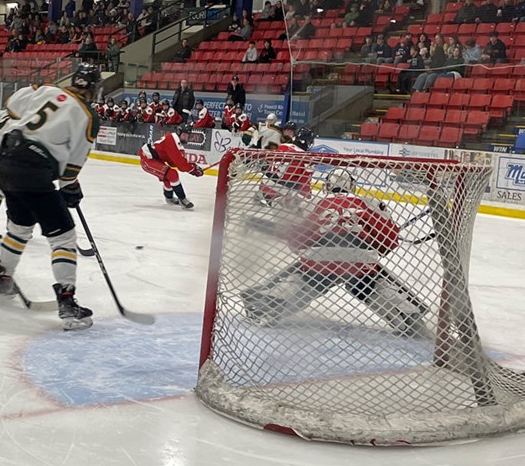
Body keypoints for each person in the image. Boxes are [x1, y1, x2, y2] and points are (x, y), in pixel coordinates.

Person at [240, 168, 428, 337]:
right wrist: (373, 250)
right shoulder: (368, 203)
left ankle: (271, 302)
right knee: (372, 284)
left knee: (304, 281)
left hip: (321, 259)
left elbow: (298, 239)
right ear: (353, 186)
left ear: (327, 186)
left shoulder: (314, 203)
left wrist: (308, 252)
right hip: (360, 260)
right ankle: (405, 314)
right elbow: (389, 240)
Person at [0, 63, 102, 330]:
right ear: (94, 88)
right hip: (35, 169)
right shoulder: (88, 115)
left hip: (6, 159)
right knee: (63, 236)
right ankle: (68, 302)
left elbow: (13, 104)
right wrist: (70, 186)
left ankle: (2, 281)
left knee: (18, 229)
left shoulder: (45, 89)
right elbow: (74, 163)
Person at [138, 123, 204, 209]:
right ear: (179, 133)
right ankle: (182, 199)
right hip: (147, 160)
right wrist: (193, 169)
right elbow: (180, 163)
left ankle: (169, 198)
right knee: (172, 174)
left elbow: (175, 162)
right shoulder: (172, 140)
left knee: (169, 176)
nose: (186, 138)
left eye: (188, 135)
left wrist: (193, 167)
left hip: (156, 160)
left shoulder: (175, 141)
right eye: (184, 135)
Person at [256, 126, 317, 207]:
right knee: (300, 200)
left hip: (265, 185)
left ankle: (260, 197)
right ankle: (282, 205)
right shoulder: (307, 158)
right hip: (282, 192)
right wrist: (308, 200)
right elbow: (304, 184)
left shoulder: (282, 146)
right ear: (308, 142)